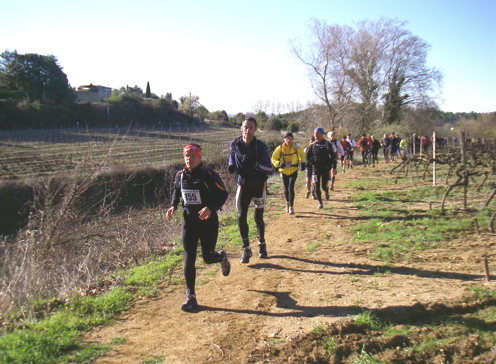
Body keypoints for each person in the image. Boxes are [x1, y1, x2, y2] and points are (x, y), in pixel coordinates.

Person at [166, 144, 230, 311]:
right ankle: (191, 296)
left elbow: (223, 194)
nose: (189, 158)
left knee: (207, 258)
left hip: (208, 222)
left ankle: (221, 257)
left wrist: (210, 207)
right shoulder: (180, 176)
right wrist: (173, 205)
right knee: (189, 257)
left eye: (193, 155)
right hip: (189, 222)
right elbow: (176, 191)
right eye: (187, 155)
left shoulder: (208, 174)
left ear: (199, 157)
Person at [228, 117, 274, 263]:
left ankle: (262, 244)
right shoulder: (234, 144)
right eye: (245, 127)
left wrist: (256, 165)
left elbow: (270, 169)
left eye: (251, 127)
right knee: (241, 216)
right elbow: (231, 157)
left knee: (258, 218)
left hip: (259, 185)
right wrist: (231, 165)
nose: (247, 130)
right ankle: (246, 249)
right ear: (241, 128)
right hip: (243, 185)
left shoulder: (260, 146)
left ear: (255, 129)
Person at [271, 132, 306, 215]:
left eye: (290, 138)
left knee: (291, 187)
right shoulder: (280, 148)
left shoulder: (296, 147)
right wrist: (279, 164)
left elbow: (302, 154)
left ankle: (291, 207)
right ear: (284, 139)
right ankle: (287, 203)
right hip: (283, 171)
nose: (288, 140)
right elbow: (273, 158)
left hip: (293, 170)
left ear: (292, 139)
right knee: (286, 189)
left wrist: (303, 162)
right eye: (287, 138)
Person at [306, 127, 335, 209]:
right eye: (315, 134)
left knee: (323, 186)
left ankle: (326, 191)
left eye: (318, 133)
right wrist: (309, 163)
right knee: (316, 186)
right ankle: (320, 202)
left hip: (325, 168)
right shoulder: (312, 145)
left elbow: (333, 155)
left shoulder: (327, 144)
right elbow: (308, 156)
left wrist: (331, 165)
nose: (316, 135)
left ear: (322, 134)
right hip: (316, 168)